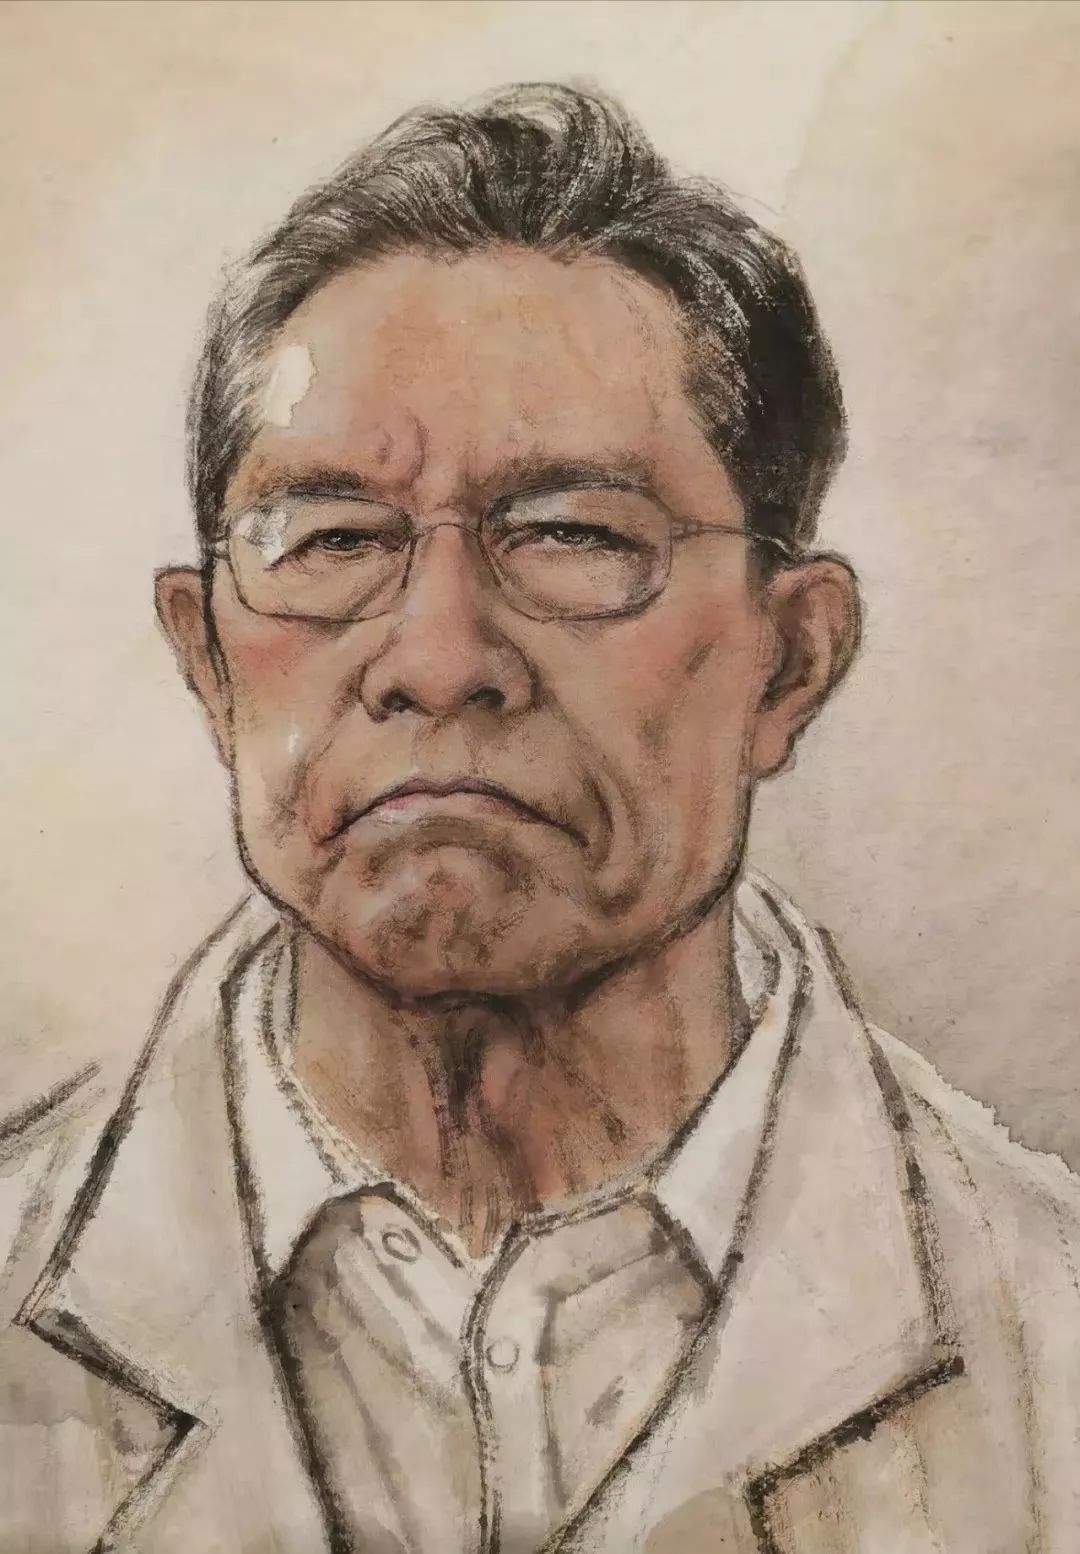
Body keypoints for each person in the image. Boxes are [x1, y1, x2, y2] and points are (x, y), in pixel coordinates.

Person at [1, 83, 1077, 1554]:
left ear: (790, 661)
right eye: (332, 539)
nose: (440, 656)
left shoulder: (1050, 1338)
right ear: (208, 663)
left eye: (574, 533)